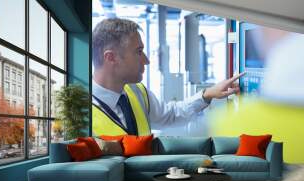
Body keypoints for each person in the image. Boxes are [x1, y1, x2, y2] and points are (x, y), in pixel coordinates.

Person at [92, 18, 243, 136]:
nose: (147, 60)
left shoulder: (137, 92)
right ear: (111, 58)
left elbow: (170, 115)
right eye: (138, 52)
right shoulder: (80, 114)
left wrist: (207, 94)